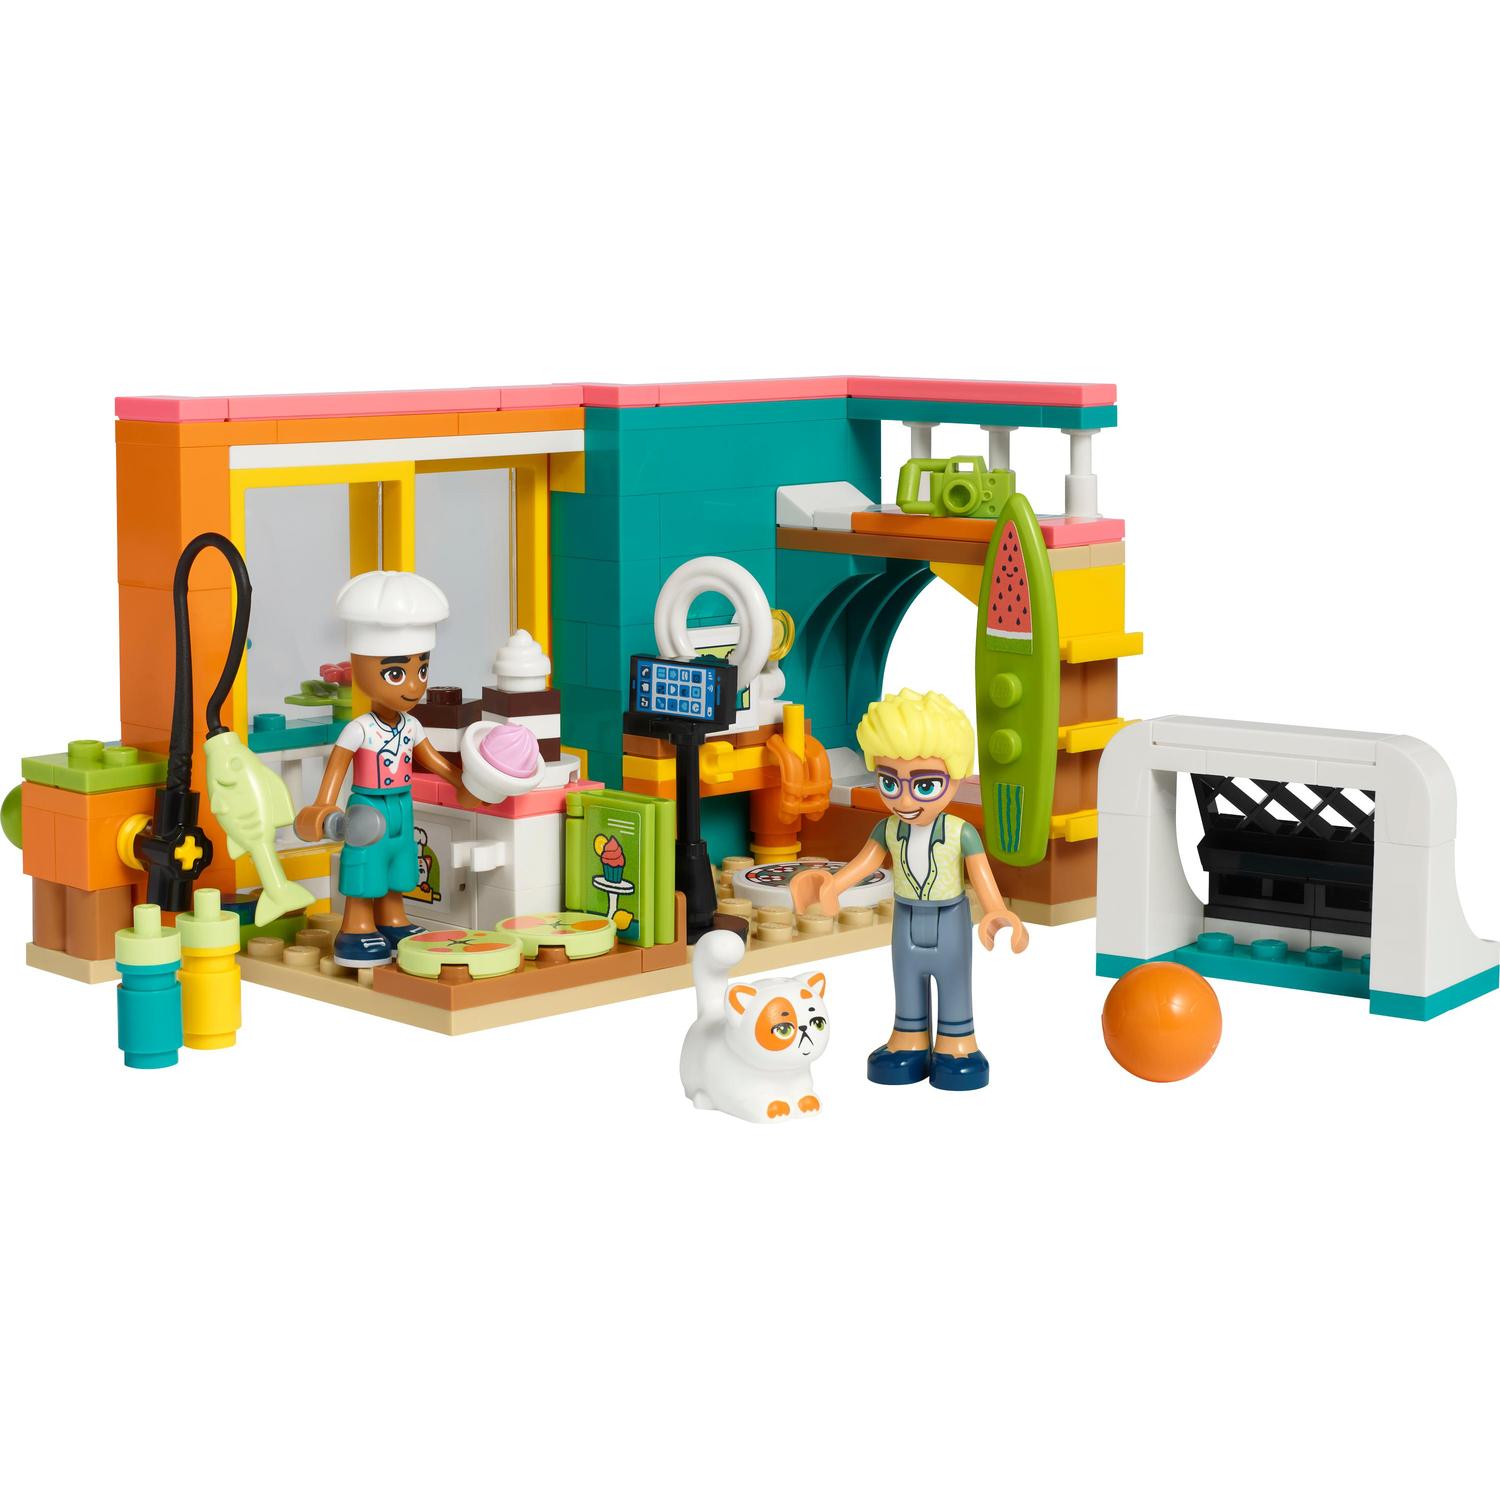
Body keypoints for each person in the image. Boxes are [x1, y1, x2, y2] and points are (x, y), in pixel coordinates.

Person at [790, 688, 1027, 1091]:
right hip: (905, 917)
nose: (903, 799)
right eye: (889, 782)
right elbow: (865, 863)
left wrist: (995, 910)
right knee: (906, 977)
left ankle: (957, 1043)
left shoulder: (960, 832)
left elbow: (981, 874)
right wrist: (833, 884)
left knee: (954, 980)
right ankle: (910, 1039)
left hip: (949, 919)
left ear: (955, 778)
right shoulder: (888, 829)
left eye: (924, 785)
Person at [294, 571, 479, 966]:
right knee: (365, 866)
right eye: (396, 673)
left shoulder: (411, 725)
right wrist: (324, 804)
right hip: (368, 807)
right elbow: (337, 769)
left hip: (401, 805)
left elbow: (433, 759)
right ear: (360, 668)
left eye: (421, 670)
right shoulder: (359, 729)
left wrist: (460, 782)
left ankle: (393, 920)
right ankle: (356, 928)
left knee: (400, 862)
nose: (413, 685)